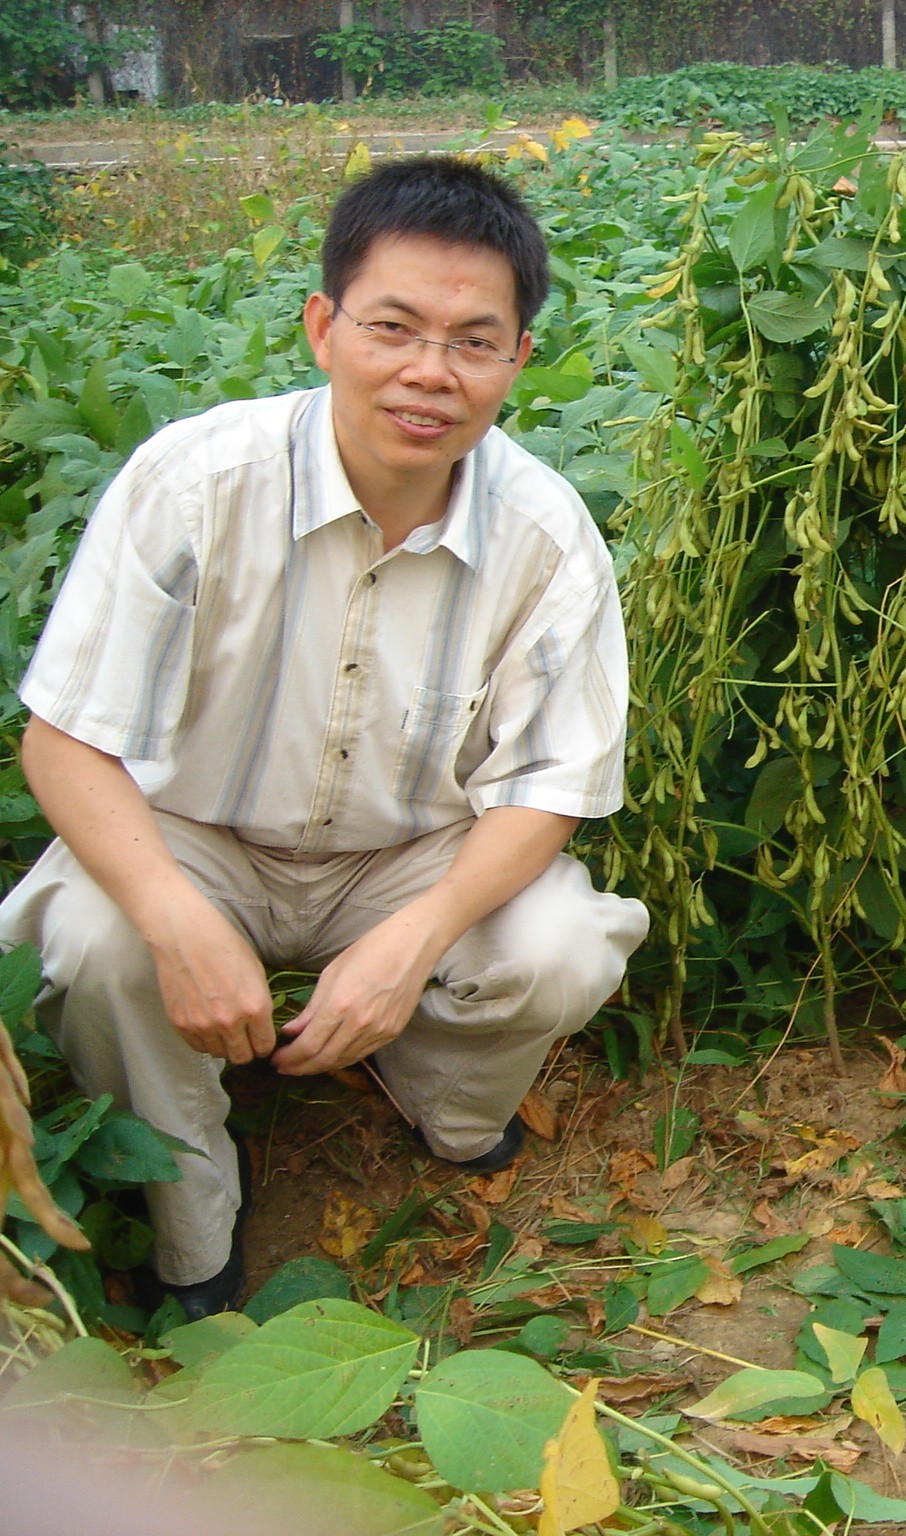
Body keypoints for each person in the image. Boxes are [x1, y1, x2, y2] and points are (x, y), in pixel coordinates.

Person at [0, 157, 649, 1320]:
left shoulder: (547, 536)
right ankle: (193, 1213)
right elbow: (62, 738)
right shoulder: (195, 483)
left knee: (557, 944)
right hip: (196, 829)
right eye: (393, 326)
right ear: (322, 326)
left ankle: (440, 1099)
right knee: (100, 942)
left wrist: (413, 940)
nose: (428, 372)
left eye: (473, 341)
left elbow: (547, 788)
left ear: (517, 360)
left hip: (410, 852)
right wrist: (172, 918)